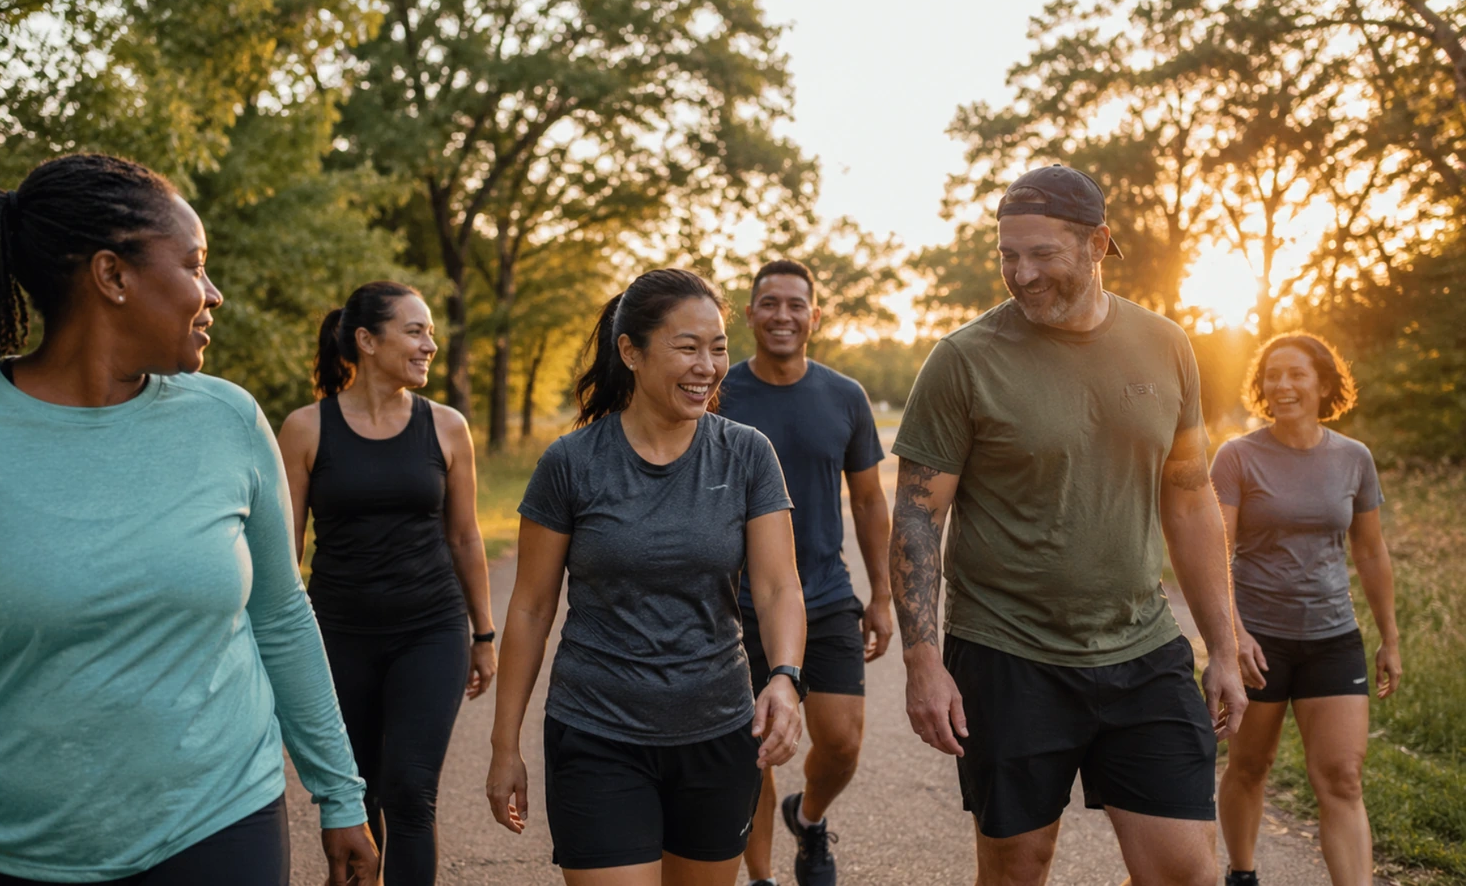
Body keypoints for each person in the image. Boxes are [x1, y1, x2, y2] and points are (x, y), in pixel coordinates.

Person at [0, 154, 377, 886]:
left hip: (221, 825)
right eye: (195, 266)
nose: (215, 293)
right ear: (113, 276)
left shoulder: (229, 418)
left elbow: (280, 614)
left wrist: (340, 793)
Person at [889, 164, 1248, 886]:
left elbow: (1187, 496)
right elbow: (919, 519)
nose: (1021, 274)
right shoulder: (964, 360)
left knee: (1188, 873)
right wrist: (923, 662)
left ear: (1097, 245)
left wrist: (1226, 646)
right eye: (1007, 255)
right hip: (1007, 653)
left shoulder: (1167, 345)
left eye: (1042, 254)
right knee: (1019, 869)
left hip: (1141, 646)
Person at [485, 268, 809, 886]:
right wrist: (505, 747)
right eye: (687, 347)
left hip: (716, 730)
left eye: (718, 347)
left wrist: (786, 679)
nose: (708, 366)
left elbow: (777, 587)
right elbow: (529, 610)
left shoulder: (746, 454)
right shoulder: (571, 463)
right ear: (630, 352)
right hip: (597, 730)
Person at [276, 280, 496, 885]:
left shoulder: (447, 427)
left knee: (409, 791)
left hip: (429, 631)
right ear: (367, 341)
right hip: (337, 636)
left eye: (430, 331)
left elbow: (465, 538)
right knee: (354, 797)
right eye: (416, 330)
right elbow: (285, 550)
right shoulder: (304, 428)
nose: (431, 344)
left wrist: (483, 633)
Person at [718, 259, 893, 886]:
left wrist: (883, 596)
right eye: (770, 303)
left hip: (824, 594)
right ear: (750, 314)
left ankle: (810, 818)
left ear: (815, 316)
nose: (783, 315)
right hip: (734, 602)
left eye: (796, 304)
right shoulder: (721, 392)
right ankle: (762, 878)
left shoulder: (844, 396)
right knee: (753, 749)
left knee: (842, 741)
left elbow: (871, 501)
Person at [1213, 333, 1399, 886]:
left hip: (1332, 637)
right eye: (1273, 375)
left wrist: (1389, 637)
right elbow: (1215, 553)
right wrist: (1233, 636)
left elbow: (1369, 551)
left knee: (1342, 778)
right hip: (1258, 642)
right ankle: (1242, 874)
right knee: (1250, 767)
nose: (1283, 386)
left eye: (1296, 374)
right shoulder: (1238, 456)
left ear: (1323, 382)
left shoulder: (1353, 458)